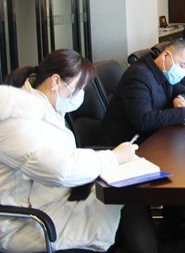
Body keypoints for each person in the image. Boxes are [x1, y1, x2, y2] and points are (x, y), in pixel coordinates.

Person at [0, 49, 152, 253]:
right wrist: (113, 158)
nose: (80, 95)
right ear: (55, 81)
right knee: (122, 199)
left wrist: (111, 159)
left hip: (48, 201)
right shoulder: (17, 120)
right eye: (78, 88)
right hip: (24, 222)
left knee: (126, 193)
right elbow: (60, 170)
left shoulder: (44, 107)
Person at [102, 39, 185, 145]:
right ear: (166, 56)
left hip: (153, 137)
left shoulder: (165, 71)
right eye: (182, 65)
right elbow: (144, 120)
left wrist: (179, 98)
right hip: (126, 145)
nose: (183, 72)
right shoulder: (138, 76)